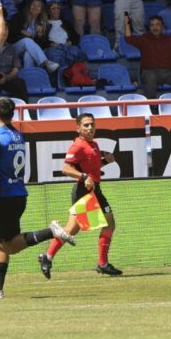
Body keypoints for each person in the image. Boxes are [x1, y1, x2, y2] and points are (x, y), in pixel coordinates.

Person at [0, 97, 75, 300]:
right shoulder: (18, 136)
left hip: (5, 196)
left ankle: (50, 231)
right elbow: (1, 162)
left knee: (6, 245)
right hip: (19, 194)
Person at [38, 113, 121, 279]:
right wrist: (83, 177)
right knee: (71, 230)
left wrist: (106, 162)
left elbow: (92, 168)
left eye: (92, 124)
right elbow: (65, 169)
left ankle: (102, 263)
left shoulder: (94, 144)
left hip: (95, 190)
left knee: (109, 223)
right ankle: (47, 257)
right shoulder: (77, 146)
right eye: (86, 125)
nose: (90, 128)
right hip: (84, 191)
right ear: (78, 129)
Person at [125, 14, 171, 99]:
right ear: (149, 27)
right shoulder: (144, 39)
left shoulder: (169, 39)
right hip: (148, 73)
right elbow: (128, 38)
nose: (155, 27)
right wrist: (127, 22)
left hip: (168, 73)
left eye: (158, 24)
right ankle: (151, 107)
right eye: (152, 25)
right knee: (151, 77)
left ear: (162, 26)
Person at [8, 0, 60, 72]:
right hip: (15, 48)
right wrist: (21, 31)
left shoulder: (43, 23)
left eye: (38, 6)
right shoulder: (20, 16)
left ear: (41, 10)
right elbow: (10, 28)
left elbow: (41, 44)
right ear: (29, 6)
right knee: (27, 40)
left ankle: (29, 78)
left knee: (28, 55)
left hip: (28, 50)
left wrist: (40, 35)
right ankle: (45, 62)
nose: (35, 7)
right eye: (33, 5)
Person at [0, 20, 28, 102]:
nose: (4, 31)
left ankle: (24, 110)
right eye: (1, 29)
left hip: (7, 79)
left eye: (6, 29)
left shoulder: (11, 48)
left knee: (20, 83)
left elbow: (16, 68)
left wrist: (7, 77)